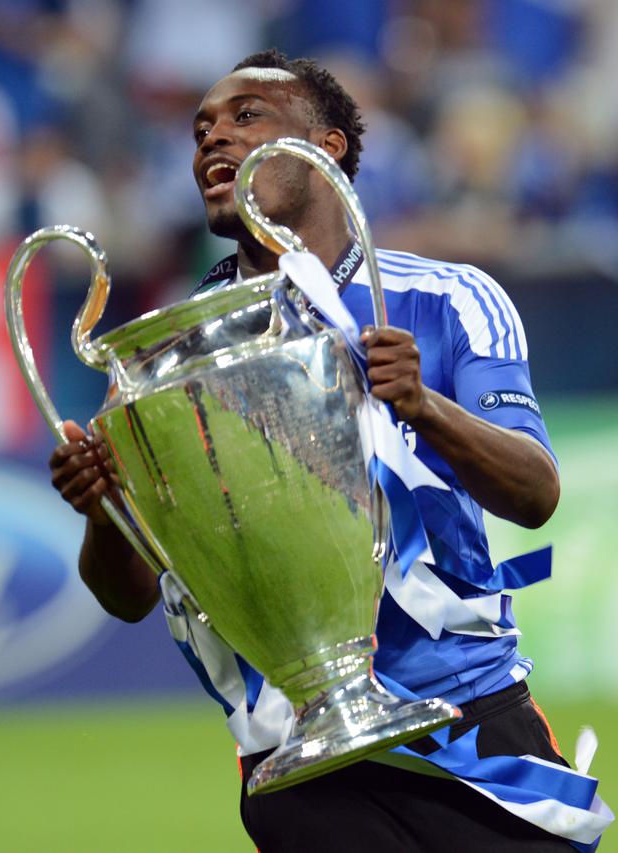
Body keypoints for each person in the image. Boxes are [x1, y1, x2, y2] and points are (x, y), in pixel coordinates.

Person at [49, 50, 610, 852]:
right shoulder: (163, 361)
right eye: (201, 130)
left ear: (326, 146)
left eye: (247, 116)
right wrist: (101, 509)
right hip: (299, 757)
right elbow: (129, 593)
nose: (213, 139)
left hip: (471, 724)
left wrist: (423, 406)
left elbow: (535, 493)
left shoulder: (449, 299)